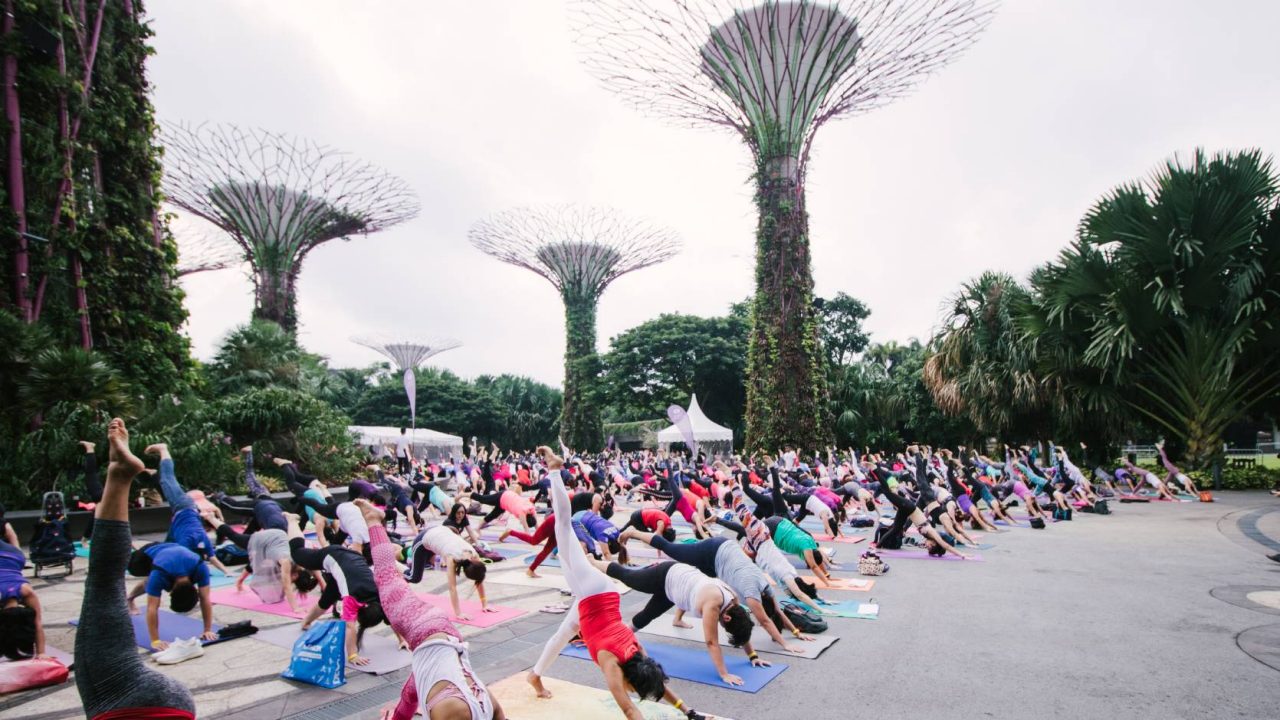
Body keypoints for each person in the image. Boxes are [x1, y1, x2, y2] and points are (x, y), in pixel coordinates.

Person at [527, 447, 704, 719]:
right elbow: (631, 711)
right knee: (562, 526)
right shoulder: (613, 664)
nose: (633, 693)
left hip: (600, 600)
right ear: (631, 682)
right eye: (635, 689)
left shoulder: (636, 655)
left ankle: (535, 675)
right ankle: (554, 469)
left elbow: (656, 684)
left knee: (564, 633)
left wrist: (689, 712)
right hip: (594, 594)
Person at [75, 418, 197, 719]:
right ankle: (125, 472)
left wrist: (155, 638)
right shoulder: (165, 572)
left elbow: (153, 604)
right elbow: (150, 604)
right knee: (104, 585)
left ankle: (121, 472)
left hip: (179, 528)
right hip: (137, 700)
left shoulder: (188, 567)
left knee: (107, 584)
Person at [346, 500, 505, 720]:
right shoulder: (455, 711)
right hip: (425, 628)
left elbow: (408, 702)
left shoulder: (489, 703)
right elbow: (451, 587)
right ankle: (373, 520)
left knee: (412, 693)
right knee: (386, 577)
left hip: (446, 638)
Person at [601, 559, 764, 686]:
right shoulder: (713, 605)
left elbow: (741, 625)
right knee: (627, 577)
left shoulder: (733, 601)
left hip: (676, 587)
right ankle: (592, 562)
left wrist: (752, 655)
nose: (724, 628)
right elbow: (712, 643)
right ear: (727, 618)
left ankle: (623, 635)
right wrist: (724, 674)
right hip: (665, 576)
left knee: (647, 616)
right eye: (727, 628)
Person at [202, 512, 319, 611]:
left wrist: (324, 587)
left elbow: (317, 574)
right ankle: (210, 518)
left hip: (278, 539)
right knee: (234, 536)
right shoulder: (286, 562)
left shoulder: (302, 562)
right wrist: (295, 608)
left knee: (264, 562)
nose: (291, 581)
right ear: (295, 574)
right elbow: (286, 585)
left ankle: (291, 520)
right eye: (294, 581)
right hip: (265, 539)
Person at [144, 443, 228, 575]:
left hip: (183, 511)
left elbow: (213, 558)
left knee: (169, 543)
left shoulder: (202, 538)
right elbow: (205, 558)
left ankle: (153, 562)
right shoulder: (189, 541)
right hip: (183, 506)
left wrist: (227, 571)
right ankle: (163, 449)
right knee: (167, 479)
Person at [403, 524, 495, 620]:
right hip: (422, 540)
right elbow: (452, 588)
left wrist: (485, 604)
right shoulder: (452, 557)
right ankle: (395, 564)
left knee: (429, 562)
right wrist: (458, 613)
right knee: (414, 577)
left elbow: (479, 580)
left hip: (438, 533)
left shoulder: (474, 556)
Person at [0, 538, 49, 659]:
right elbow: (38, 623)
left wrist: (41, 653)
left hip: (15, 556)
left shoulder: (27, 592)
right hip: (14, 554)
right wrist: (41, 653)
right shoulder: (27, 592)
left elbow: (36, 624)